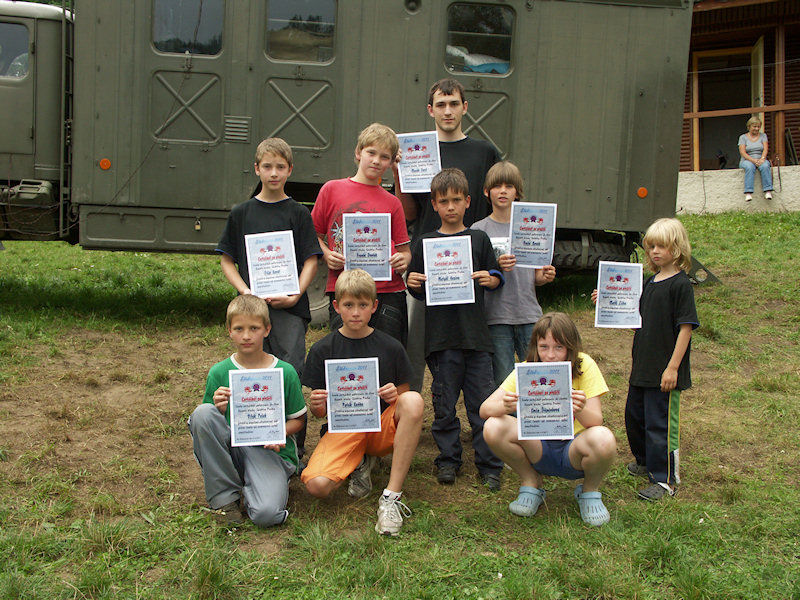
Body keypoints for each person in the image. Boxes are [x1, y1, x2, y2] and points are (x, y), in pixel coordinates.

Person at [396, 78, 501, 393]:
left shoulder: (484, 152)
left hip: (473, 260)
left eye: (454, 103)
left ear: (465, 107)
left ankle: (485, 406)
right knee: (416, 339)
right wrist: (398, 175)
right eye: (440, 105)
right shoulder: (416, 152)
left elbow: (498, 205)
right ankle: (411, 403)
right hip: (427, 261)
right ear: (430, 110)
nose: (448, 111)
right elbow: (410, 214)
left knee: (477, 340)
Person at [216, 137, 319, 457]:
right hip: (252, 310)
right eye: (267, 166)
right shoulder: (242, 213)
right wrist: (246, 292)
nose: (274, 173)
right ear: (257, 169)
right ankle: (255, 438)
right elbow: (226, 260)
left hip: (289, 310)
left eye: (280, 167)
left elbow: (311, 260)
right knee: (254, 372)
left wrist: (295, 293)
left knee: (290, 372)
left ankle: (293, 448)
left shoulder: (299, 213)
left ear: (290, 170)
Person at [301, 269, 424, 536]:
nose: (355, 312)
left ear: (374, 306)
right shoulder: (323, 350)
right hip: (345, 429)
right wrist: (317, 403)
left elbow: (405, 397)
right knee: (317, 486)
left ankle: (391, 497)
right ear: (336, 307)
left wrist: (395, 396)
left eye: (363, 305)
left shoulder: (391, 347)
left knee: (413, 401)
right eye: (348, 305)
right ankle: (358, 461)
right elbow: (320, 414)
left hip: (381, 427)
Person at [407, 168, 505, 490]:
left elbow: (495, 275)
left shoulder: (478, 239)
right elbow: (416, 287)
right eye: (444, 201)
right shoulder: (425, 243)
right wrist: (412, 282)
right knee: (444, 406)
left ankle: (489, 464)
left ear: (468, 202)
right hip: (441, 340)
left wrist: (492, 279)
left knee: (482, 405)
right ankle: (448, 460)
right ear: (434, 204)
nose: (450, 206)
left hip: (476, 338)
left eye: (456, 200)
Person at [593, 217, 698, 501]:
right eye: (651, 246)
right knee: (635, 417)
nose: (655, 251)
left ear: (676, 248)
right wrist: (606, 302)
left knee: (659, 425)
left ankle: (665, 480)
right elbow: (637, 322)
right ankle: (644, 461)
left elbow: (686, 328)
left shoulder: (681, 285)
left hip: (665, 372)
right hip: (642, 368)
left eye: (662, 246)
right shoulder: (650, 283)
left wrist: (672, 368)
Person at [480, 313, 617, 526]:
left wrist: (580, 409)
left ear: (571, 347)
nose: (550, 355)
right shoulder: (528, 369)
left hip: (573, 449)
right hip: (538, 446)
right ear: (535, 346)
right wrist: (505, 406)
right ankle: (531, 481)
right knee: (493, 426)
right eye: (544, 347)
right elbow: (485, 409)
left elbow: (596, 421)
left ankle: (589, 490)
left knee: (604, 438)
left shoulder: (584, 364)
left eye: (559, 347)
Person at [188, 295, 307, 527]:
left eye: (254, 328)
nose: (246, 336)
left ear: (267, 329)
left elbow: (299, 420)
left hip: (271, 453)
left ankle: (258, 484)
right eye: (239, 329)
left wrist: (280, 433)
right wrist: (219, 408)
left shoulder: (285, 371)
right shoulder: (219, 372)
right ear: (229, 331)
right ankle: (225, 499)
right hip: (234, 447)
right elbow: (207, 428)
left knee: (267, 515)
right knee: (202, 413)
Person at [312, 123, 411, 345]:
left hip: (387, 292)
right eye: (371, 153)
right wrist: (326, 254)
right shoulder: (331, 190)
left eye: (384, 157)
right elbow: (312, 236)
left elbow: (405, 251)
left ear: (391, 162)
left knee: (389, 356)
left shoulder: (393, 202)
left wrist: (402, 261)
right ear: (358, 153)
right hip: (345, 289)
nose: (376, 161)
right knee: (347, 353)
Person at [471, 161, 557, 387]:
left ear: (517, 192)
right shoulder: (478, 230)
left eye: (509, 186)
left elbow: (534, 277)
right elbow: (474, 276)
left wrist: (544, 277)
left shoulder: (532, 226)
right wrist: (495, 265)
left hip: (529, 313)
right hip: (496, 316)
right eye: (497, 186)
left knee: (538, 377)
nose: (503, 191)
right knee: (505, 381)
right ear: (486, 191)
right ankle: (509, 413)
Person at [738, 116, 774, 202]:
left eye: (758, 127)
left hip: (760, 158)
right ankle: (748, 192)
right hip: (747, 160)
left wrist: (762, 158)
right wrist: (753, 160)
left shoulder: (763, 136)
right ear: (749, 126)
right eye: (754, 126)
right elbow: (742, 152)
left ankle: (768, 190)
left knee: (765, 166)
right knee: (750, 167)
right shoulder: (743, 137)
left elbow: (765, 149)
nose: (757, 129)